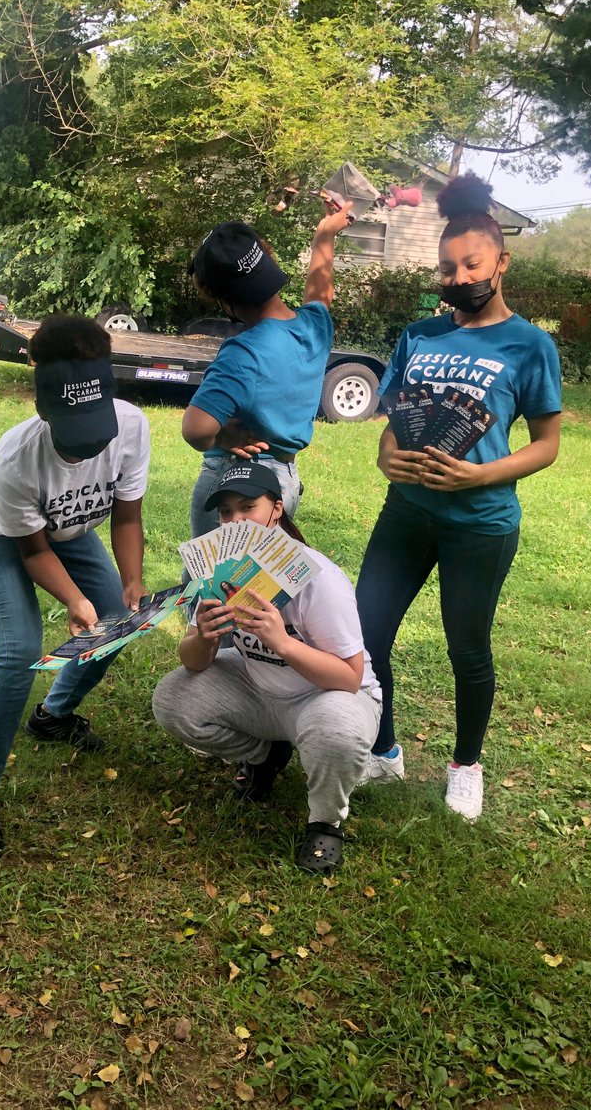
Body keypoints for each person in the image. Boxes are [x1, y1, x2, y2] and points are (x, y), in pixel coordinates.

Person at [354, 173, 562, 820]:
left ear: (500, 262)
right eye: (447, 268)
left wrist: (477, 477)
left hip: (481, 521)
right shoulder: (418, 336)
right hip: (408, 514)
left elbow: (546, 443)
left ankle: (466, 766)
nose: (458, 276)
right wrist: (389, 459)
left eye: (471, 264)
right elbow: (393, 428)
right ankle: (383, 749)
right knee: (366, 636)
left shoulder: (529, 345)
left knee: (466, 649)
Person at [0, 315, 150, 863]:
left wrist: (130, 582)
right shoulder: (16, 456)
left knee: (117, 621)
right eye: (72, 440)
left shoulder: (131, 425)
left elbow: (127, 516)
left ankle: (53, 716)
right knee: (17, 650)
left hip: (67, 523)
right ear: (43, 410)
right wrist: (74, 601)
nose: (85, 453)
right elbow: (34, 551)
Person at [153, 462, 382, 873]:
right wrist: (203, 635)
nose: (235, 521)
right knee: (173, 698)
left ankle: (324, 823)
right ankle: (265, 755)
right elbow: (191, 660)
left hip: (330, 694)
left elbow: (349, 677)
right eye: (226, 513)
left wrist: (282, 642)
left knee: (337, 731)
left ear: (276, 509)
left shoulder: (318, 578)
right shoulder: (219, 572)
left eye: (248, 507)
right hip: (260, 690)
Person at [181, 202, 351, 538]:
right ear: (268, 262)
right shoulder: (316, 326)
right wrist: (324, 235)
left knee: (210, 583)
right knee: (260, 586)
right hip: (283, 481)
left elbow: (195, 429)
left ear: (222, 298)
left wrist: (225, 436)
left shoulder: (243, 353)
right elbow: (320, 290)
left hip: (235, 482)